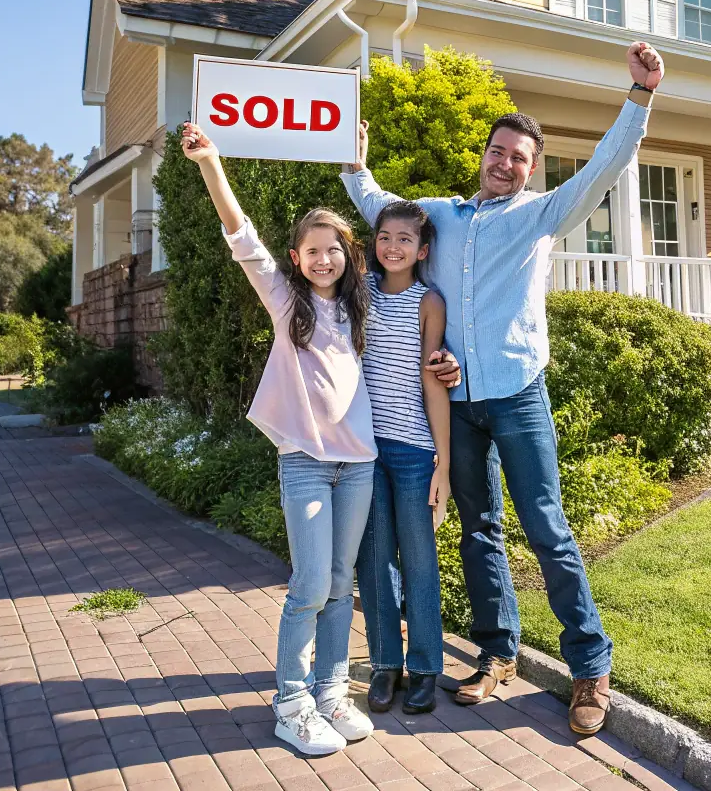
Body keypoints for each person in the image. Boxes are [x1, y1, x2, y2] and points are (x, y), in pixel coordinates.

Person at [341, 41, 665, 735]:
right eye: (498, 150)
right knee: (478, 532)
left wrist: (638, 98)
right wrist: (352, 157)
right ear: (483, 153)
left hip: (516, 395)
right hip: (455, 404)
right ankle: (496, 654)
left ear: (532, 168)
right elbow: (380, 210)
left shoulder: (540, 214)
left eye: (519, 156)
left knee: (547, 530)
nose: (505, 162)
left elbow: (605, 168)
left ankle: (590, 668)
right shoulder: (440, 218)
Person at [180, 123, 380, 757]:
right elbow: (241, 235)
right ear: (296, 259)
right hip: (306, 462)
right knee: (310, 584)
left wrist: (360, 165)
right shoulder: (283, 299)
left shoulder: (359, 306)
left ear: (350, 256)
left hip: (360, 462)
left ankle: (330, 690)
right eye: (313, 250)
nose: (325, 259)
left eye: (335, 250)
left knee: (342, 582)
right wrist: (212, 162)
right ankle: (290, 701)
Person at [355, 201, 451, 715]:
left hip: (414, 450)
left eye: (406, 240)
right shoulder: (360, 292)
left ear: (423, 249)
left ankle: (425, 669)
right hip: (364, 451)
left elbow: (432, 381)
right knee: (373, 560)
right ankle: (385, 664)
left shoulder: (427, 301)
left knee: (419, 559)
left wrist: (444, 463)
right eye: (385, 237)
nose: (394, 246)